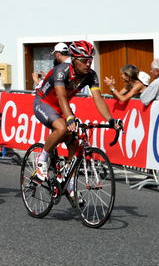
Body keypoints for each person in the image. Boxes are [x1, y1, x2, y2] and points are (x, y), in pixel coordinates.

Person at [33, 40, 122, 188]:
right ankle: (41, 160)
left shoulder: (91, 75)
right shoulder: (61, 70)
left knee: (74, 143)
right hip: (44, 103)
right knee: (62, 128)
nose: (88, 64)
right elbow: (61, 96)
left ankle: (69, 183)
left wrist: (111, 120)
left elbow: (98, 99)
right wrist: (69, 118)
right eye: (84, 60)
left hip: (61, 107)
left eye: (90, 60)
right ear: (74, 60)